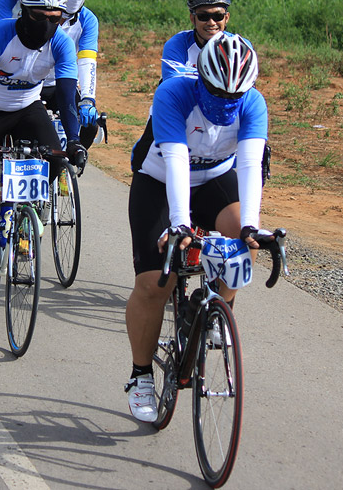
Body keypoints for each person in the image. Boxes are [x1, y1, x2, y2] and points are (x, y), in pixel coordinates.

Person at [123, 32, 266, 423]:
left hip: (214, 180)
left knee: (247, 243)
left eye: (236, 94)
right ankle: (140, 376)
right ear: (200, 78)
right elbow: (176, 161)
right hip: (159, 180)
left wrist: (251, 226)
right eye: (217, 92)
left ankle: (217, 308)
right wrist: (180, 224)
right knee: (155, 283)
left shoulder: (253, 102)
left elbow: (250, 165)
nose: (227, 101)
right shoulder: (174, 93)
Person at [0, 0, 89, 312]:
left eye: (55, 18)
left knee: (57, 162)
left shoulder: (61, 44)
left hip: (28, 108)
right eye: (39, 16)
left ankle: (25, 210)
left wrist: (74, 140)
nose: (47, 24)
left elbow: (66, 98)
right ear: (24, 12)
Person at [40, 0, 101, 148]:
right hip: (33, 82)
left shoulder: (88, 20)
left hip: (64, 83)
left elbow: (87, 60)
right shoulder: (41, 12)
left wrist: (88, 99)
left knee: (89, 126)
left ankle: (73, 161)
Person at [161, 0, 234, 80]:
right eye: (203, 16)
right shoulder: (177, 44)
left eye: (218, 16)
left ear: (226, 18)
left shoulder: (240, 47)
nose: (211, 23)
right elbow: (173, 83)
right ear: (192, 18)